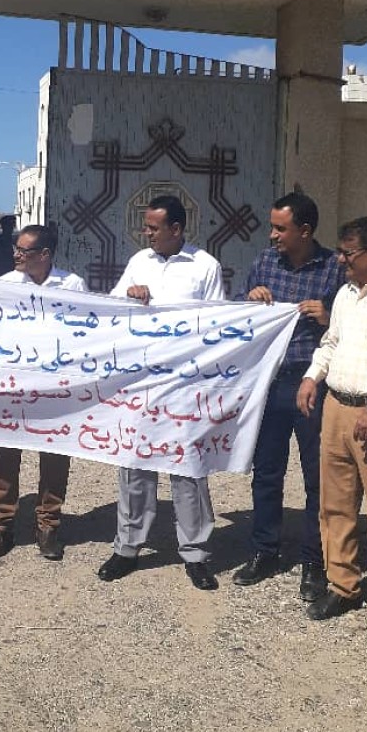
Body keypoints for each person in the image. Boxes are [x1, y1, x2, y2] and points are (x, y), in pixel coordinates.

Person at [98, 195, 225, 590]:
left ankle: (196, 554)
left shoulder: (205, 266)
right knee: (135, 464)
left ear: (176, 229)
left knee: (188, 469)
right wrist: (129, 296)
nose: (146, 233)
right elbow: (113, 310)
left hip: (185, 385)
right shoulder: (139, 263)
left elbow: (218, 323)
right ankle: (128, 547)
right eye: (146, 226)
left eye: (153, 227)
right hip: (142, 382)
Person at [232, 192, 346, 600]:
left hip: (315, 384)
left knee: (318, 476)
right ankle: (265, 551)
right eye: (272, 227)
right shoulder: (265, 263)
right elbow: (237, 317)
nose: (273, 234)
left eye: (281, 228)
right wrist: (250, 302)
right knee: (266, 471)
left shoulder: (335, 269)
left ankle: (315, 560)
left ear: (305, 230)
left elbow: (355, 328)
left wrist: (330, 317)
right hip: (271, 383)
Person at [0, 223, 87, 562]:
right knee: (6, 455)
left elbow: (86, 332)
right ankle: (1, 527)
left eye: (23, 251)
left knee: (55, 455)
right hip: (13, 385)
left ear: (44, 255)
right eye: (16, 248)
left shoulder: (72, 285)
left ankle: (48, 526)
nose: (16, 255)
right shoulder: (4, 286)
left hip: (56, 388)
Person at [296, 216, 367, 642]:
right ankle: (342, 584)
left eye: (350, 252)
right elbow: (330, 342)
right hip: (336, 407)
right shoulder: (345, 293)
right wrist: (312, 378)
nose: (342, 259)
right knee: (336, 504)